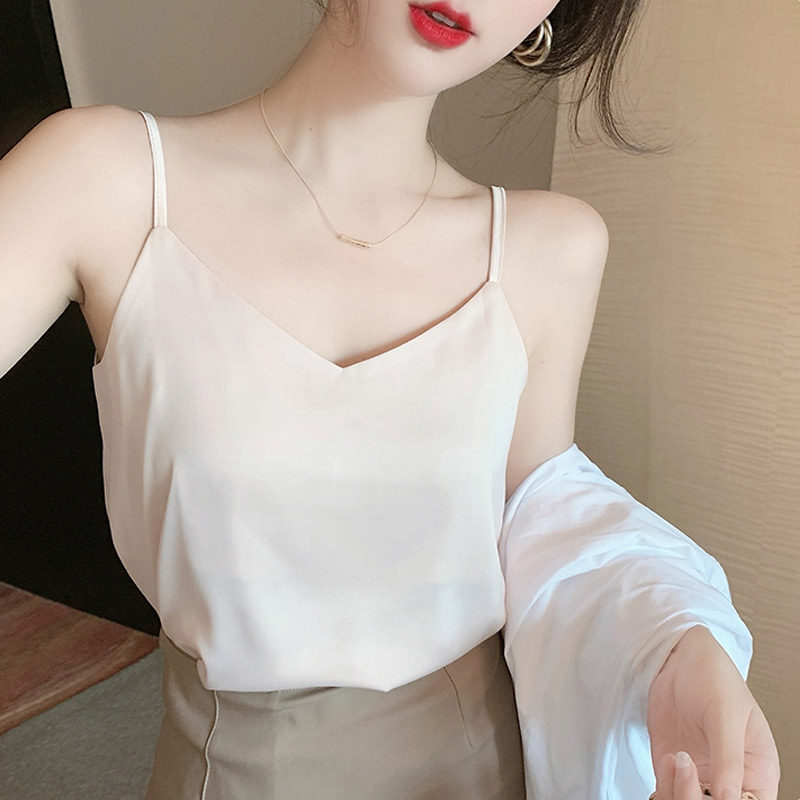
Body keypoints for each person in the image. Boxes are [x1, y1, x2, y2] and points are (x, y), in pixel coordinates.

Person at [0, 0, 780, 797]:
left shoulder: (549, 250)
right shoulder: (107, 179)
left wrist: (673, 644)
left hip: (480, 771)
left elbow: (545, 517)